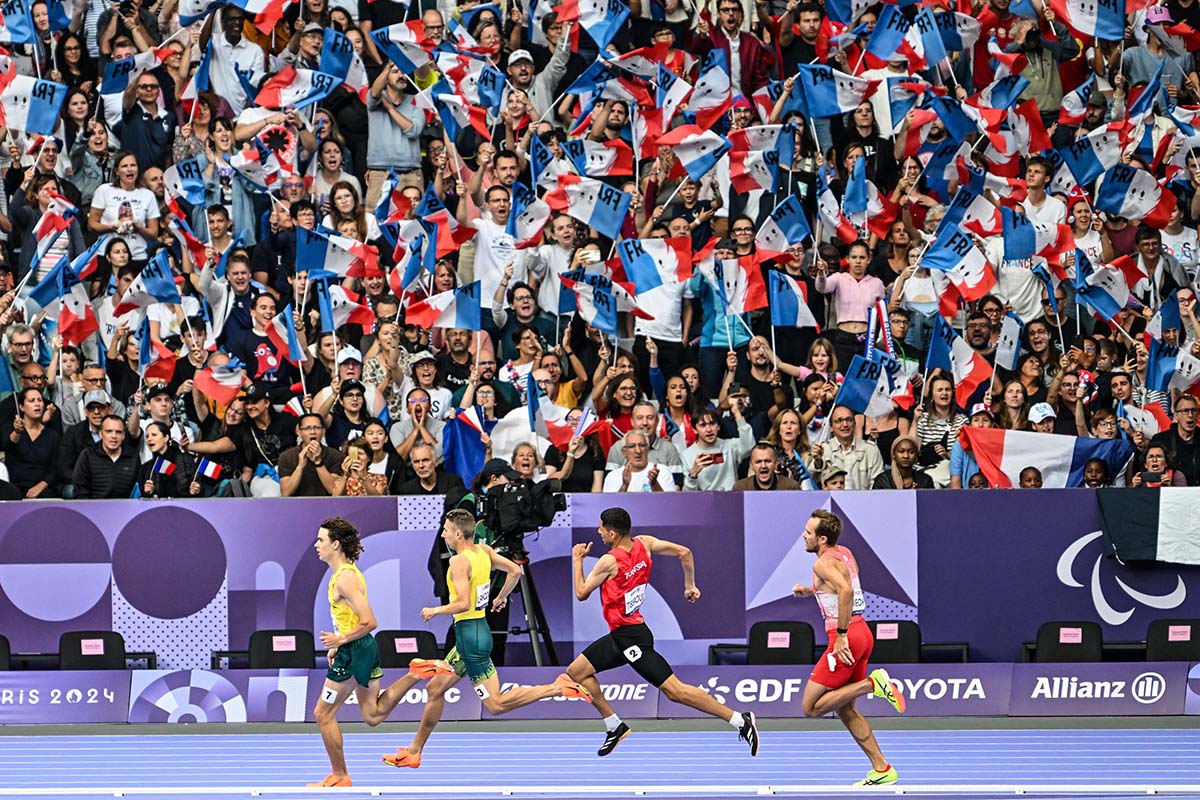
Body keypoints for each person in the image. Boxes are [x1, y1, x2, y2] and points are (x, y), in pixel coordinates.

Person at [378, 509, 592, 768]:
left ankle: (557, 687)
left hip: (471, 640)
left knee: (496, 704)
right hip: (477, 631)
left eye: (445, 530)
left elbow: (462, 602)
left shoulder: (459, 562)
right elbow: (515, 571)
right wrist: (500, 597)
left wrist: (435, 610)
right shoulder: (485, 551)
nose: (443, 534)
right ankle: (414, 751)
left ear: (458, 533)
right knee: (435, 688)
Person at [565, 507, 761, 757]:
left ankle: (739, 720)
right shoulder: (644, 543)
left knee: (675, 691)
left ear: (613, 533)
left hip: (631, 639)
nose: (598, 531)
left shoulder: (609, 561)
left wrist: (577, 559)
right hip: (623, 635)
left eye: (601, 528)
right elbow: (684, 553)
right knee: (577, 672)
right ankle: (614, 726)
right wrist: (690, 585)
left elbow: (581, 593)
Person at [792, 510, 906, 786]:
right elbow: (845, 583)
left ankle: (872, 684)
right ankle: (882, 768)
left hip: (846, 638)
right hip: (863, 632)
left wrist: (841, 635)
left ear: (821, 538)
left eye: (808, 533)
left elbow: (845, 591)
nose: (803, 537)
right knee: (846, 709)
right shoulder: (844, 552)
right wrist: (812, 590)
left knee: (810, 707)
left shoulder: (821, 564)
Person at [308, 517, 386, 788]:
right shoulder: (343, 574)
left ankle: (340, 775)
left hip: (354, 651)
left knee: (322, 713)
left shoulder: (346, 579)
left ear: (336, 544)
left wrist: (341, 640)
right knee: (372, 715)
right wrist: (342, 641)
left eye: (321, 540)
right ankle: (413, 674)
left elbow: (370, 622)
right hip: (359, 648)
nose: (316, 544)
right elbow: (353, 619)